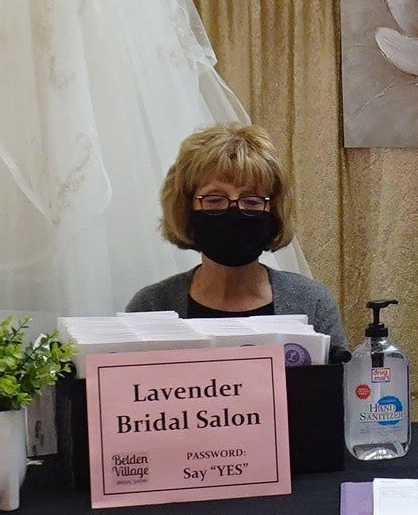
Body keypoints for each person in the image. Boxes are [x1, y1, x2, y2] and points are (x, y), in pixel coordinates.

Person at [126, 124, 348, 350]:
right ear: (186, 207)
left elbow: (342, 384)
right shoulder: (151, 307)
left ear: (274, 212)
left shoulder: (312, 304)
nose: (234, 212)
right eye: (214, 199)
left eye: (251, 201)